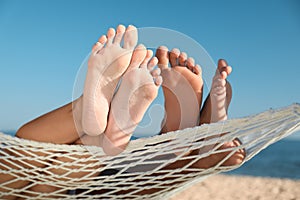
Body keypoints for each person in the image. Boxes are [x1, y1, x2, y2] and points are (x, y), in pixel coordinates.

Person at [0, 24, 245, 198]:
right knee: (20, 157)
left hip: (76, 181)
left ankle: (177, 149)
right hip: (86, 182)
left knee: (35, 183)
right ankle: (180, 144)